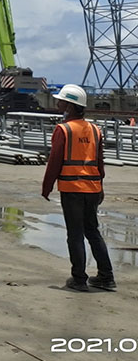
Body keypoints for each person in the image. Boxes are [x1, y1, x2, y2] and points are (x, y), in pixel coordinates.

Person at [41, 84, 115, 291]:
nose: (57, 103)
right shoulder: (95, 129)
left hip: (72, 188)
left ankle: (79, 279)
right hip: (92, 188)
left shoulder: (63, 129)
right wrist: (100, 187)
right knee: (92, 231)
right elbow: (100, 162)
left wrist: (47, 187)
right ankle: (106, 277)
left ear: (70, 106)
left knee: (75, 234)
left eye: (61, 100)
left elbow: (54, 161)